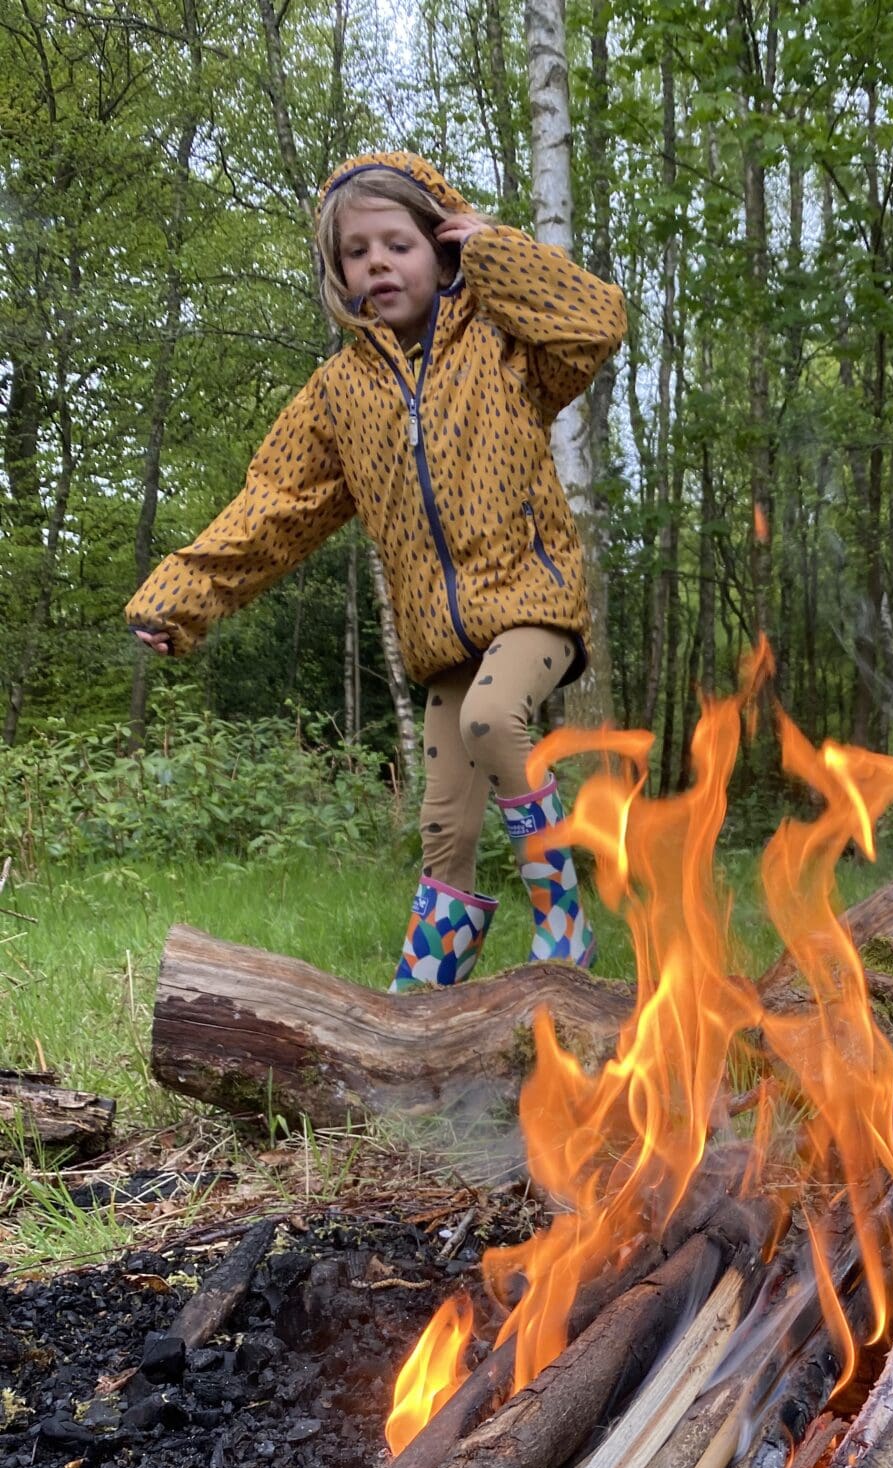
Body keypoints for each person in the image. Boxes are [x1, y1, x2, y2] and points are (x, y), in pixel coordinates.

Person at [128, 151, 626, 988]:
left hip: (532, 603)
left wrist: (499, 253)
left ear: (441, 247)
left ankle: (564, 929)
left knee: (493, 719)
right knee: (444, 826)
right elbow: (274, 505)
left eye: (398, 243)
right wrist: (181, 598)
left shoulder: (509, 348)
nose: (378, 264)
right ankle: (427, 997)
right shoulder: (338, 393)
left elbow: (597, 319)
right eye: (357, 253)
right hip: (440, 639)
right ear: (339, 273)